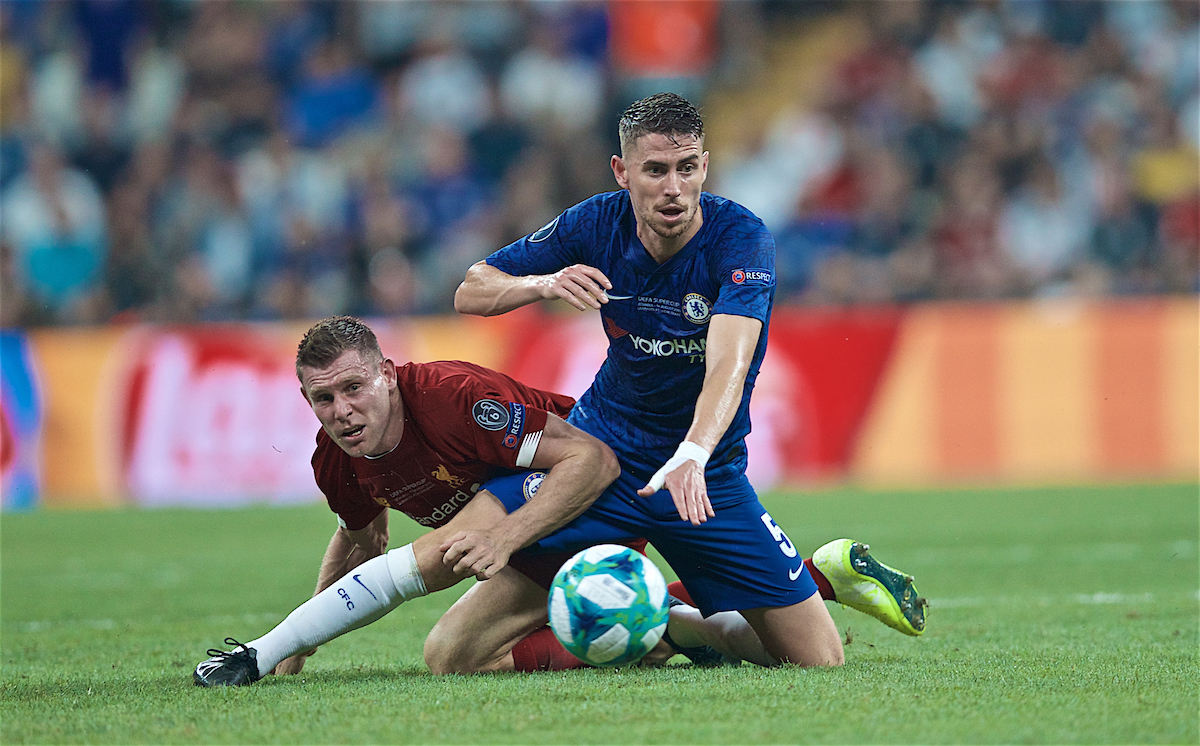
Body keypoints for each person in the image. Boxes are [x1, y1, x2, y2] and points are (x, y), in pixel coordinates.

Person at [445, 92, 926, 670]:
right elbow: (471, 288)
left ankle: (826, 574)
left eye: (686, 167)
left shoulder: (741, 239)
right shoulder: (595, 222)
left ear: (705, 167)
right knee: (455, 655)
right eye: (654, 170)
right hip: (602, 465)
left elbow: (731, 360)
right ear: (623, 173)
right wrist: (542, 284)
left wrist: (693, 452)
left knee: (819, 661)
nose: (673, 187)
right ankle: (681, 627)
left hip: (704, 476)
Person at [193, 315, 628, 685]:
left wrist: (505, 537)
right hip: (526, 542)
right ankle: (654, 626)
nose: (341, 411)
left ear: (386, 373)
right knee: (452, 656)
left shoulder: (451, 399)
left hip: (591, 494)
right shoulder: (336, 461)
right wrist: (304, 640)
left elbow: (592, 458)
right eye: (324, 398)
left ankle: (253, 656)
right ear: (307, 400)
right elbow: (363, 544)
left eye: (353, 388)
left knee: (446, 546)